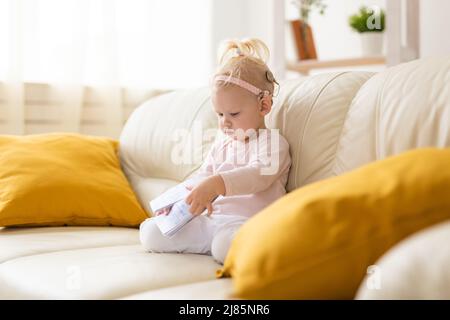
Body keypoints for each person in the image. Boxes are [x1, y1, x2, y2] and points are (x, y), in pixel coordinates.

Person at [139, 38, 291, 264]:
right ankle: (205, 243)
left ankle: (230, 248)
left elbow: (258, 175)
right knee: (151, 232)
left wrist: (217, 183)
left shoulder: (272, 142)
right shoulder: (222, 142)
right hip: (212, 220)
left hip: (247, 222)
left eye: (234, 114)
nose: (225, 123)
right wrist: (182, 199)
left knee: (224, 245)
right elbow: (203, 174)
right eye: (220, 115)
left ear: (264, 106)